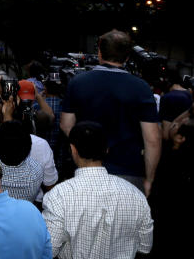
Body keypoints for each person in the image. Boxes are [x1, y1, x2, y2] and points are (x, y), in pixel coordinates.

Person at [42, 121, 154, 259]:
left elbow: (48, 251)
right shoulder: (135, 195)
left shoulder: (59, 195)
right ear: (107, 150)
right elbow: (145, 248)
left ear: (72, 150)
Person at [60, 29, 161, 195]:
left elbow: (66, 125)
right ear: (127, 56)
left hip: (87, 170)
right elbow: (153, 139)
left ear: (99, 52)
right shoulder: (141, 87)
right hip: (128, 172)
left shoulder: (78, 83)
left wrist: (86, 150)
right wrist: (149, 179)